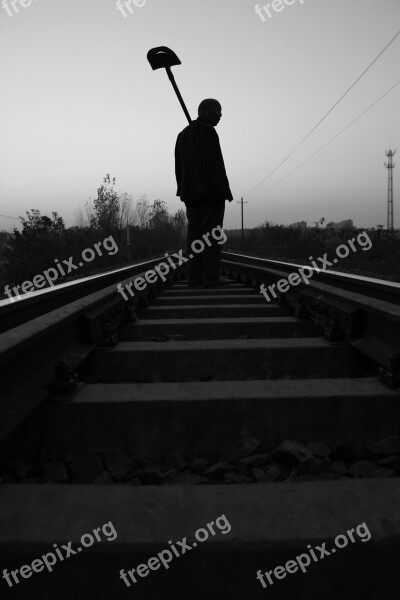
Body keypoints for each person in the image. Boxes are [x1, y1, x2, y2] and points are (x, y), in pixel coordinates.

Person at [175, 98, 233, 287]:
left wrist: (182, 189)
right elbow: (214, 164)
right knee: (212, 234)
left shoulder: (183, 134)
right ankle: (211, 277)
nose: (220, 115)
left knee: (194, 234)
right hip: (210, 193)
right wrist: (224, 190)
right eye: (216, 110)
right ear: (203, 111)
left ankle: (194, 276)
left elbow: (178, 167)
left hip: (190, 194)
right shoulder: (207, 131)